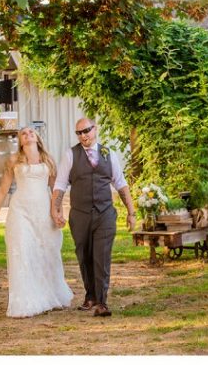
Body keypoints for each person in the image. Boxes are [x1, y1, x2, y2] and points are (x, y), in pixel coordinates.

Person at [51, 118, 136, 317]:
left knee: (102, 257)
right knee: (84, 256)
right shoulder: (70, 155)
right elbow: (60, 185)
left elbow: (121, 184)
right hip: (79, 214)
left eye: (86, 131)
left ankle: (101, 302)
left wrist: (131, 213)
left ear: (95, 129)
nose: (83, 135)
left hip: (105, 213)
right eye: (79, 133)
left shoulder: (109, 154)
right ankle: (90, 296)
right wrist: (55, 210)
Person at [0, 127, 74, 318]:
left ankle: (48, 295)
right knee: (22, 251)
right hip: (20, 211)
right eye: (23, 134)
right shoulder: (14, 161)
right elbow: (3, 190)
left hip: (43, 211)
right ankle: (25, 301)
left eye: (31, 132)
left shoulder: (48, 159)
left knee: (46, 251)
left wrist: (59, 212)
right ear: (20, 141)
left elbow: (56, 189)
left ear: (37, 138)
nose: (28, 135)